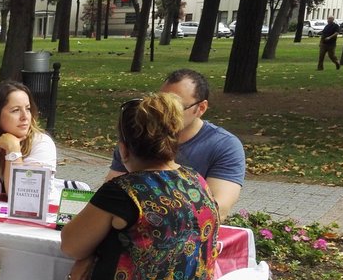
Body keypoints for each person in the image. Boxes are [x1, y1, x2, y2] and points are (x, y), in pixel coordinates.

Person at [12, 93, 220, 280]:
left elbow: (71, 245)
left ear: (123, 148)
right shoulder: (196, 181)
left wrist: (87, 257)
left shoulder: (123, 191)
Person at [104, 69, 244, 220]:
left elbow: (217, 210)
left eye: (175, 108)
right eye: (161, 105)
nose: (164, 114)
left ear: (201, 108)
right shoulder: (138, 135)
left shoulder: (225, 146)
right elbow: (108, 194)